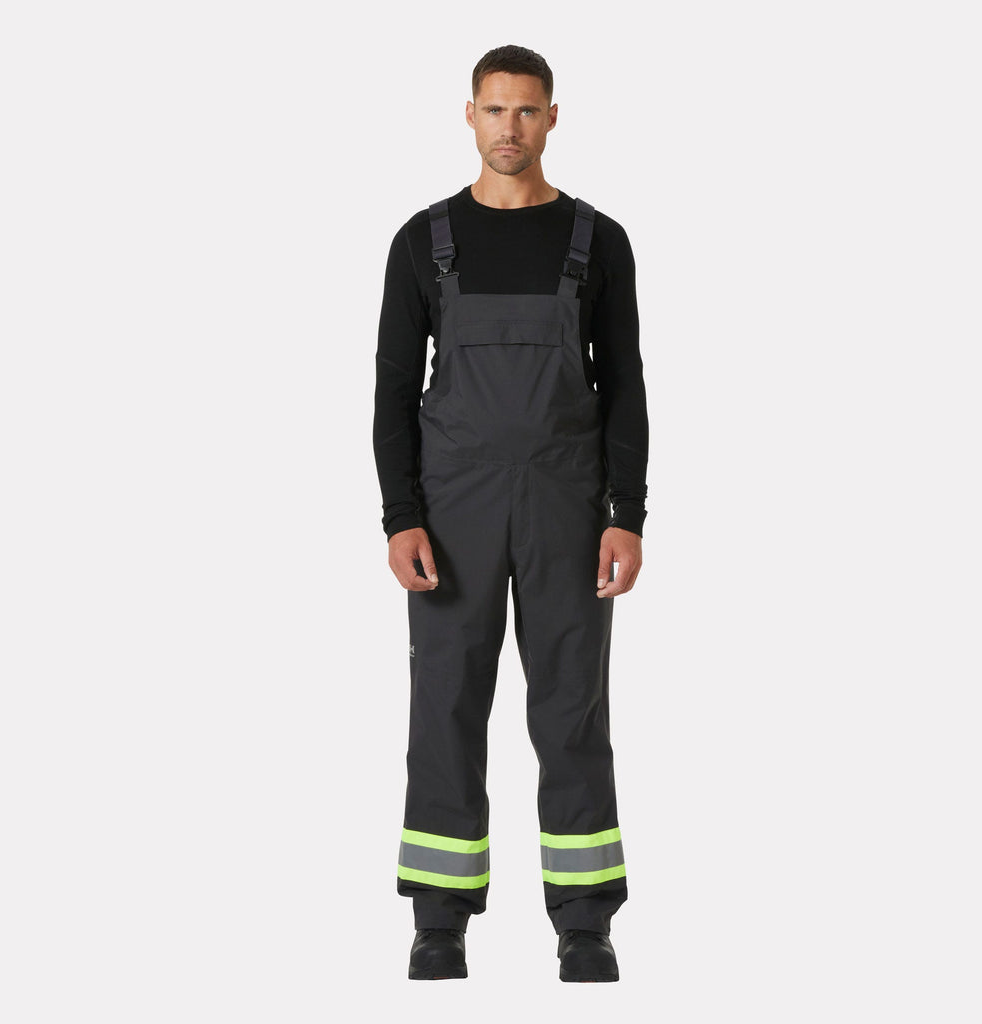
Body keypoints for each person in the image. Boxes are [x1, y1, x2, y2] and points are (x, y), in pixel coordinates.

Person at [373, 44, 649, 983]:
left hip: (569, 500)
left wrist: (627, 513)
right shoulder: (424, 241)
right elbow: (391, 390)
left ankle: (585, 920)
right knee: (445, 702)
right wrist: (400, 517)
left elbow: (626, 386)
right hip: (453, 506)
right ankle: (439, 920)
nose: (510, 128)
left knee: (571, 706)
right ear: (470, 114)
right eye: (495, 110)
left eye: (527, 111)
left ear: (552, 118)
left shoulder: (598, 241)